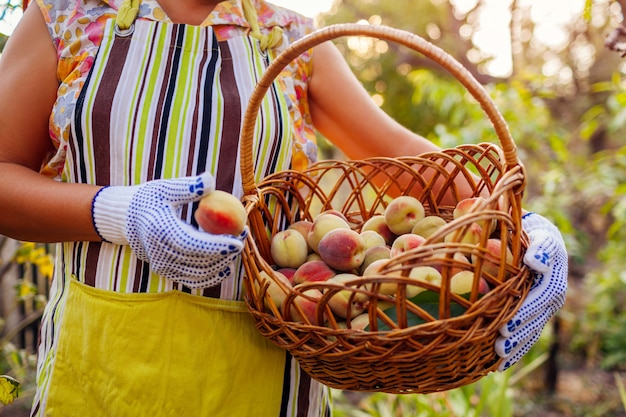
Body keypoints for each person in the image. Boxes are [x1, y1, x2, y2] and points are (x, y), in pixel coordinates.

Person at [0, 0, 567, 415]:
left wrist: (526, 226)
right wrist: (121, 213)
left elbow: (434, 177)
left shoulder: (289, 41)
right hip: (102, 376)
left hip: (263, 379)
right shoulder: (67, 19)